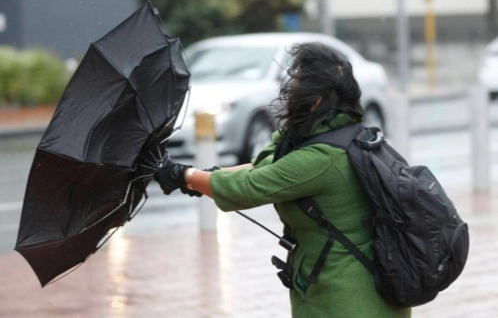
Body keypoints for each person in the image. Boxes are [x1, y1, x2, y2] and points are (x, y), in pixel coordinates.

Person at [154, 42, 411, 317]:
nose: (289, 96)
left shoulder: (322, 157)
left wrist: (184, 175)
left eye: (295, 89)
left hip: (348, 299)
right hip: (357, 290)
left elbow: (248, 188)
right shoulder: (347, 135)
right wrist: (202, 178)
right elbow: (265, 166)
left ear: (315, 101)